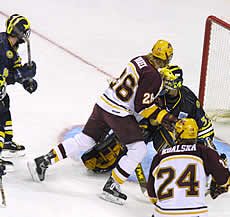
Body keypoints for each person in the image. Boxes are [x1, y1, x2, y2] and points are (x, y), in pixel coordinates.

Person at [27, 39, 178, 205]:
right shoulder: (154, 77)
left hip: (104, 103)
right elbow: (141, 106)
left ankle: (42, 162)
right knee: (138, 148)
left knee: (85, 140)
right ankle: (112, 186)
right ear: (167, 59)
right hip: (118, 112)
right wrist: (164, 117)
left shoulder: (138, 59)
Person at [80, 64, 216, 173]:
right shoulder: (153, 89)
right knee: (97, 159)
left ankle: (182, 171)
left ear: (175, 84)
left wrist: (211, 151)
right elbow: (132, 106)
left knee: (174, 149)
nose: (162, 83)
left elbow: (204, 127)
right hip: (143, 124)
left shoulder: (188, 100)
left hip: (166, 132)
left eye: (166, 81)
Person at [147, 118, 230, 217]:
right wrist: (223, 185)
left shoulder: (160, 156)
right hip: (195, 213)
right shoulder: (205, 152)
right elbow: (223, 179)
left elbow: (152, 194)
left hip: (163, 213)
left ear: (177, 134)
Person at [0, 14, 37, 169]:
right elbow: (5, 75)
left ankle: (7, 142)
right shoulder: (2, 46)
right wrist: (21, 75)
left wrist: (26, 81)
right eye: (24, 30)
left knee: (5, 106)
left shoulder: (11, 46)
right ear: (18, 31)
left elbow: (13, 70)